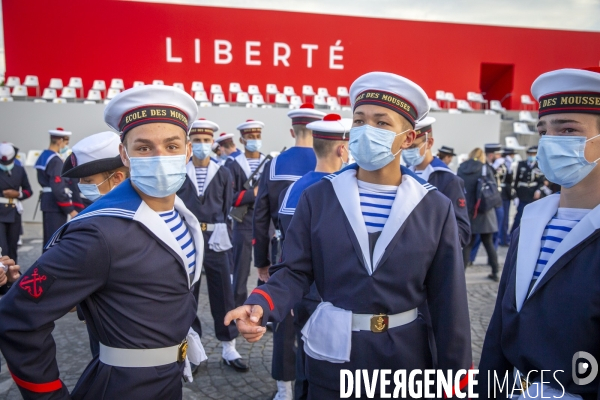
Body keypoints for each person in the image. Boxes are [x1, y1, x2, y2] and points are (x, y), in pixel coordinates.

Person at [225, 71, 472, 398]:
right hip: (333, 359)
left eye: (382, 123)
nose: (368, 130)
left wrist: (455, 384)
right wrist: (260, 303)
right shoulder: (319, 197)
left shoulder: (434, 207)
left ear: (408, 138)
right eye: (359, 121)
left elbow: (449, 301)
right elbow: (295, 270)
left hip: (405, 361)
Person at [0, 85, 208, 399]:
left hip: (168, 380)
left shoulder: (181, 214)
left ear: (187, 150)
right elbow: (17, 317)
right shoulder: (98, 231)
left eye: (171, 145)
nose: (160, 158)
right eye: (143, 148)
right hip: (123, 387)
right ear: (124, 154)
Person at [478, 67, 600, 399]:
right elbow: (499, 333)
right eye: (544, 130)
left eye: (569, 129)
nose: (550, 142)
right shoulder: (532, 221)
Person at [277, 113, 351, 400]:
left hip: (304, 295)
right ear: (342, 149)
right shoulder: (347, 189)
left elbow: (287, 251)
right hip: (340, 297)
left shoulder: (292, 190)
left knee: (305, 362)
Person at [253, 103, 324, 398]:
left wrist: (262, 261)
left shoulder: (274, 164)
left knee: (284, 319)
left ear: (292, 131)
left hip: (283, 248)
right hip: (324, 252)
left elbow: (260, 216)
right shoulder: (331, 162)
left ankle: (284, 387)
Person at [176, 118, 249, 372]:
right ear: (189, 143)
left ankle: (229, 347)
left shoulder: (223, 171)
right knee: (188, 296)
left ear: (212, 143)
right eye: (197, 141)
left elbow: (227, 204)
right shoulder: (180, 172)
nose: (202, 145)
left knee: (224, 294)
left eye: (206, 141)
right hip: (189, 238)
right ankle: (191, 350)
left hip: (217, 239)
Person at [60, 131, 129, 358]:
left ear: (117, 178)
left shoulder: (99, 226)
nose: (82, 187)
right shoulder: (99, 217)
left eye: (88, 181)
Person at [403, 117, 471, 246]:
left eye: (412, 146)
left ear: (429, 143)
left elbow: (463, 231)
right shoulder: (402, 175)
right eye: (405, 146)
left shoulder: (449, 180)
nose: (407, 151)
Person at [225, 120, 267, 308]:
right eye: (250, 137)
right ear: (242, 140)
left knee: (266, 272)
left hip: (265, 225)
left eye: (257, 136)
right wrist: (253, 194)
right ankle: (238, 310)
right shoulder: (233, 165)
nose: (255, 140)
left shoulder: (269, 163)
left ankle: (262, 311)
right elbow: (228, 198)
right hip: (242, 224)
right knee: (240, 273)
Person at [458, 147, 501, 281]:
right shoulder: (484, 168)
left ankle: (460, 275)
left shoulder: (461, 168)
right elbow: (493, 188)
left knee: (467, 244)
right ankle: (495, 272)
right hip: (484, 210)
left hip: (467, 210)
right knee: (488, 242)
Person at [35, 128, 82, 247]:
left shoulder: (44, 155)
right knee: (54, 241)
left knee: (48, 238)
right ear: (60, 141)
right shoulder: (55, 160)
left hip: (47, 201)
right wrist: (70, 210)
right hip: (55, 203)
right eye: (66, 143)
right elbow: (58, 187)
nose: (66, 146)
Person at [0, 143, 32, 262]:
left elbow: (29, 191)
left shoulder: (19, 170)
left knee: (13, 247)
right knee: (2, 248)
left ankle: (12, 278)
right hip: (0, 212)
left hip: (14, 212)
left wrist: (18, 194)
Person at [510, 145, 544, 234]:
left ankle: (529, 234)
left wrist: (538, 190)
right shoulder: (521, 164)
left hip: (533, 195)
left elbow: (541, 181)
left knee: (532, 217)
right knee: (519, 216)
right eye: (530, 154)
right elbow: (516, 180)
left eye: (533, 154)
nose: (531, 156)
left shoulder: (539, 165)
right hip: (522, 194)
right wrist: (515, 196)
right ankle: (513, 234)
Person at [498, 147, 516, 246]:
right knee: (502, 219)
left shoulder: (509, 166)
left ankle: (504, 238)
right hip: (502, 194)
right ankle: (502, 239)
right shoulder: (501, 164)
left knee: (505, 220)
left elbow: (510, 181)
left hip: (507, 195)